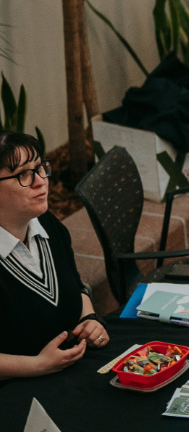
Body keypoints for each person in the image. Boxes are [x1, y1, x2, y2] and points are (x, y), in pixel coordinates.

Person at [0, 131, 109, 378]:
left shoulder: (48, 225)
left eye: (39, 168)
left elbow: (76, 286)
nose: (40, 181)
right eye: (23, 175)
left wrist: (89, 319)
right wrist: (38, 365)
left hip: (75, 371)